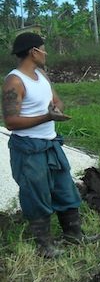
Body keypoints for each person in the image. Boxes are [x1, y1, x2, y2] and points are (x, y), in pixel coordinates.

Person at [2, 32, 90, 258]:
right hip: (28, 149)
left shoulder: (41, 75)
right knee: (36, 194)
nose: (46, 53)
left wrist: (56, 109)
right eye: (43, 48)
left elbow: (56, 99)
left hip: (50, 145)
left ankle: (74, 234)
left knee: (64, 188)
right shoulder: (14, 81)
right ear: (33, 52)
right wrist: (47, 118)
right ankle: (45, 246)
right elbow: (11, 122)